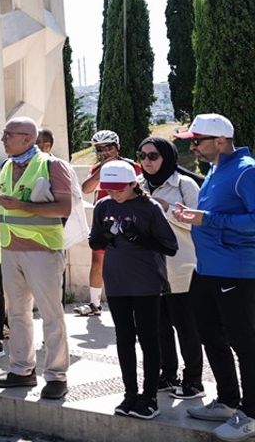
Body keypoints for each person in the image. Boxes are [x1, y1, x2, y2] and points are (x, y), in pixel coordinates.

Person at [171, 114, 255, 440]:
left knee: (244, 342)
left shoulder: (246, 169)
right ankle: (228, 401)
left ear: (220, 141)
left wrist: (207, 218)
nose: (193, 146)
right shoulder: (217, 169)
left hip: (237, 271)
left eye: (198, 140)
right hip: (207, 270)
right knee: (210, 335)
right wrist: (193, 217)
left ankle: (250, 414)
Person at [0, 116, 72, 399]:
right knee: (16, 313)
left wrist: (21, 206)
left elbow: (64, 207)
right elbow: (9, 205)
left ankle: (57, 375)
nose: (3, 140)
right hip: (10, 248)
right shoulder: (6, 166)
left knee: (51, 314)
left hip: (43, 250)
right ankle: (21, 369)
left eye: (7, 135)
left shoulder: (52, 165)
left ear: (26, 138)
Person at [87, 160, 178, 420]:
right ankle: (130, 394)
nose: (114, 194)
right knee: (124, 338)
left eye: (119, 189)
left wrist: (140, 237)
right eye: (110, 189)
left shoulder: (149, 208)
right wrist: (106, 235)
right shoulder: (103, 205)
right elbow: (94, 241)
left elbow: (170, 247)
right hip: (116, 282)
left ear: (132, 184)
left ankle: (149, 397)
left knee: (149, 338)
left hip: (147, 282)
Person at [137, 136, 206, 401]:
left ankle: (194, 381)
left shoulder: (184, 184)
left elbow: (199, 223)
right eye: (142, 156)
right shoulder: (140, 186)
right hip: (149, 269)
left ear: (167, 156)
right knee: (158, 327)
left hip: (181, 267)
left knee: (186, 327)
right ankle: (168, 375)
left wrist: (165, 210)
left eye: (153, 156)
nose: (147, 161)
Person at [77, 130, 140, 317]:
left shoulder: (133, 167)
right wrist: (102, 169)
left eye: (109, 147)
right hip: (105, 220)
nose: (105, 151)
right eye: (100, 149)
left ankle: (134, 302)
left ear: (117, 147)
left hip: (129, 220)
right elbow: (86, 189)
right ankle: (94, 303)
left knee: (131, 261)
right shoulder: (97, 168)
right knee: (97, 261)